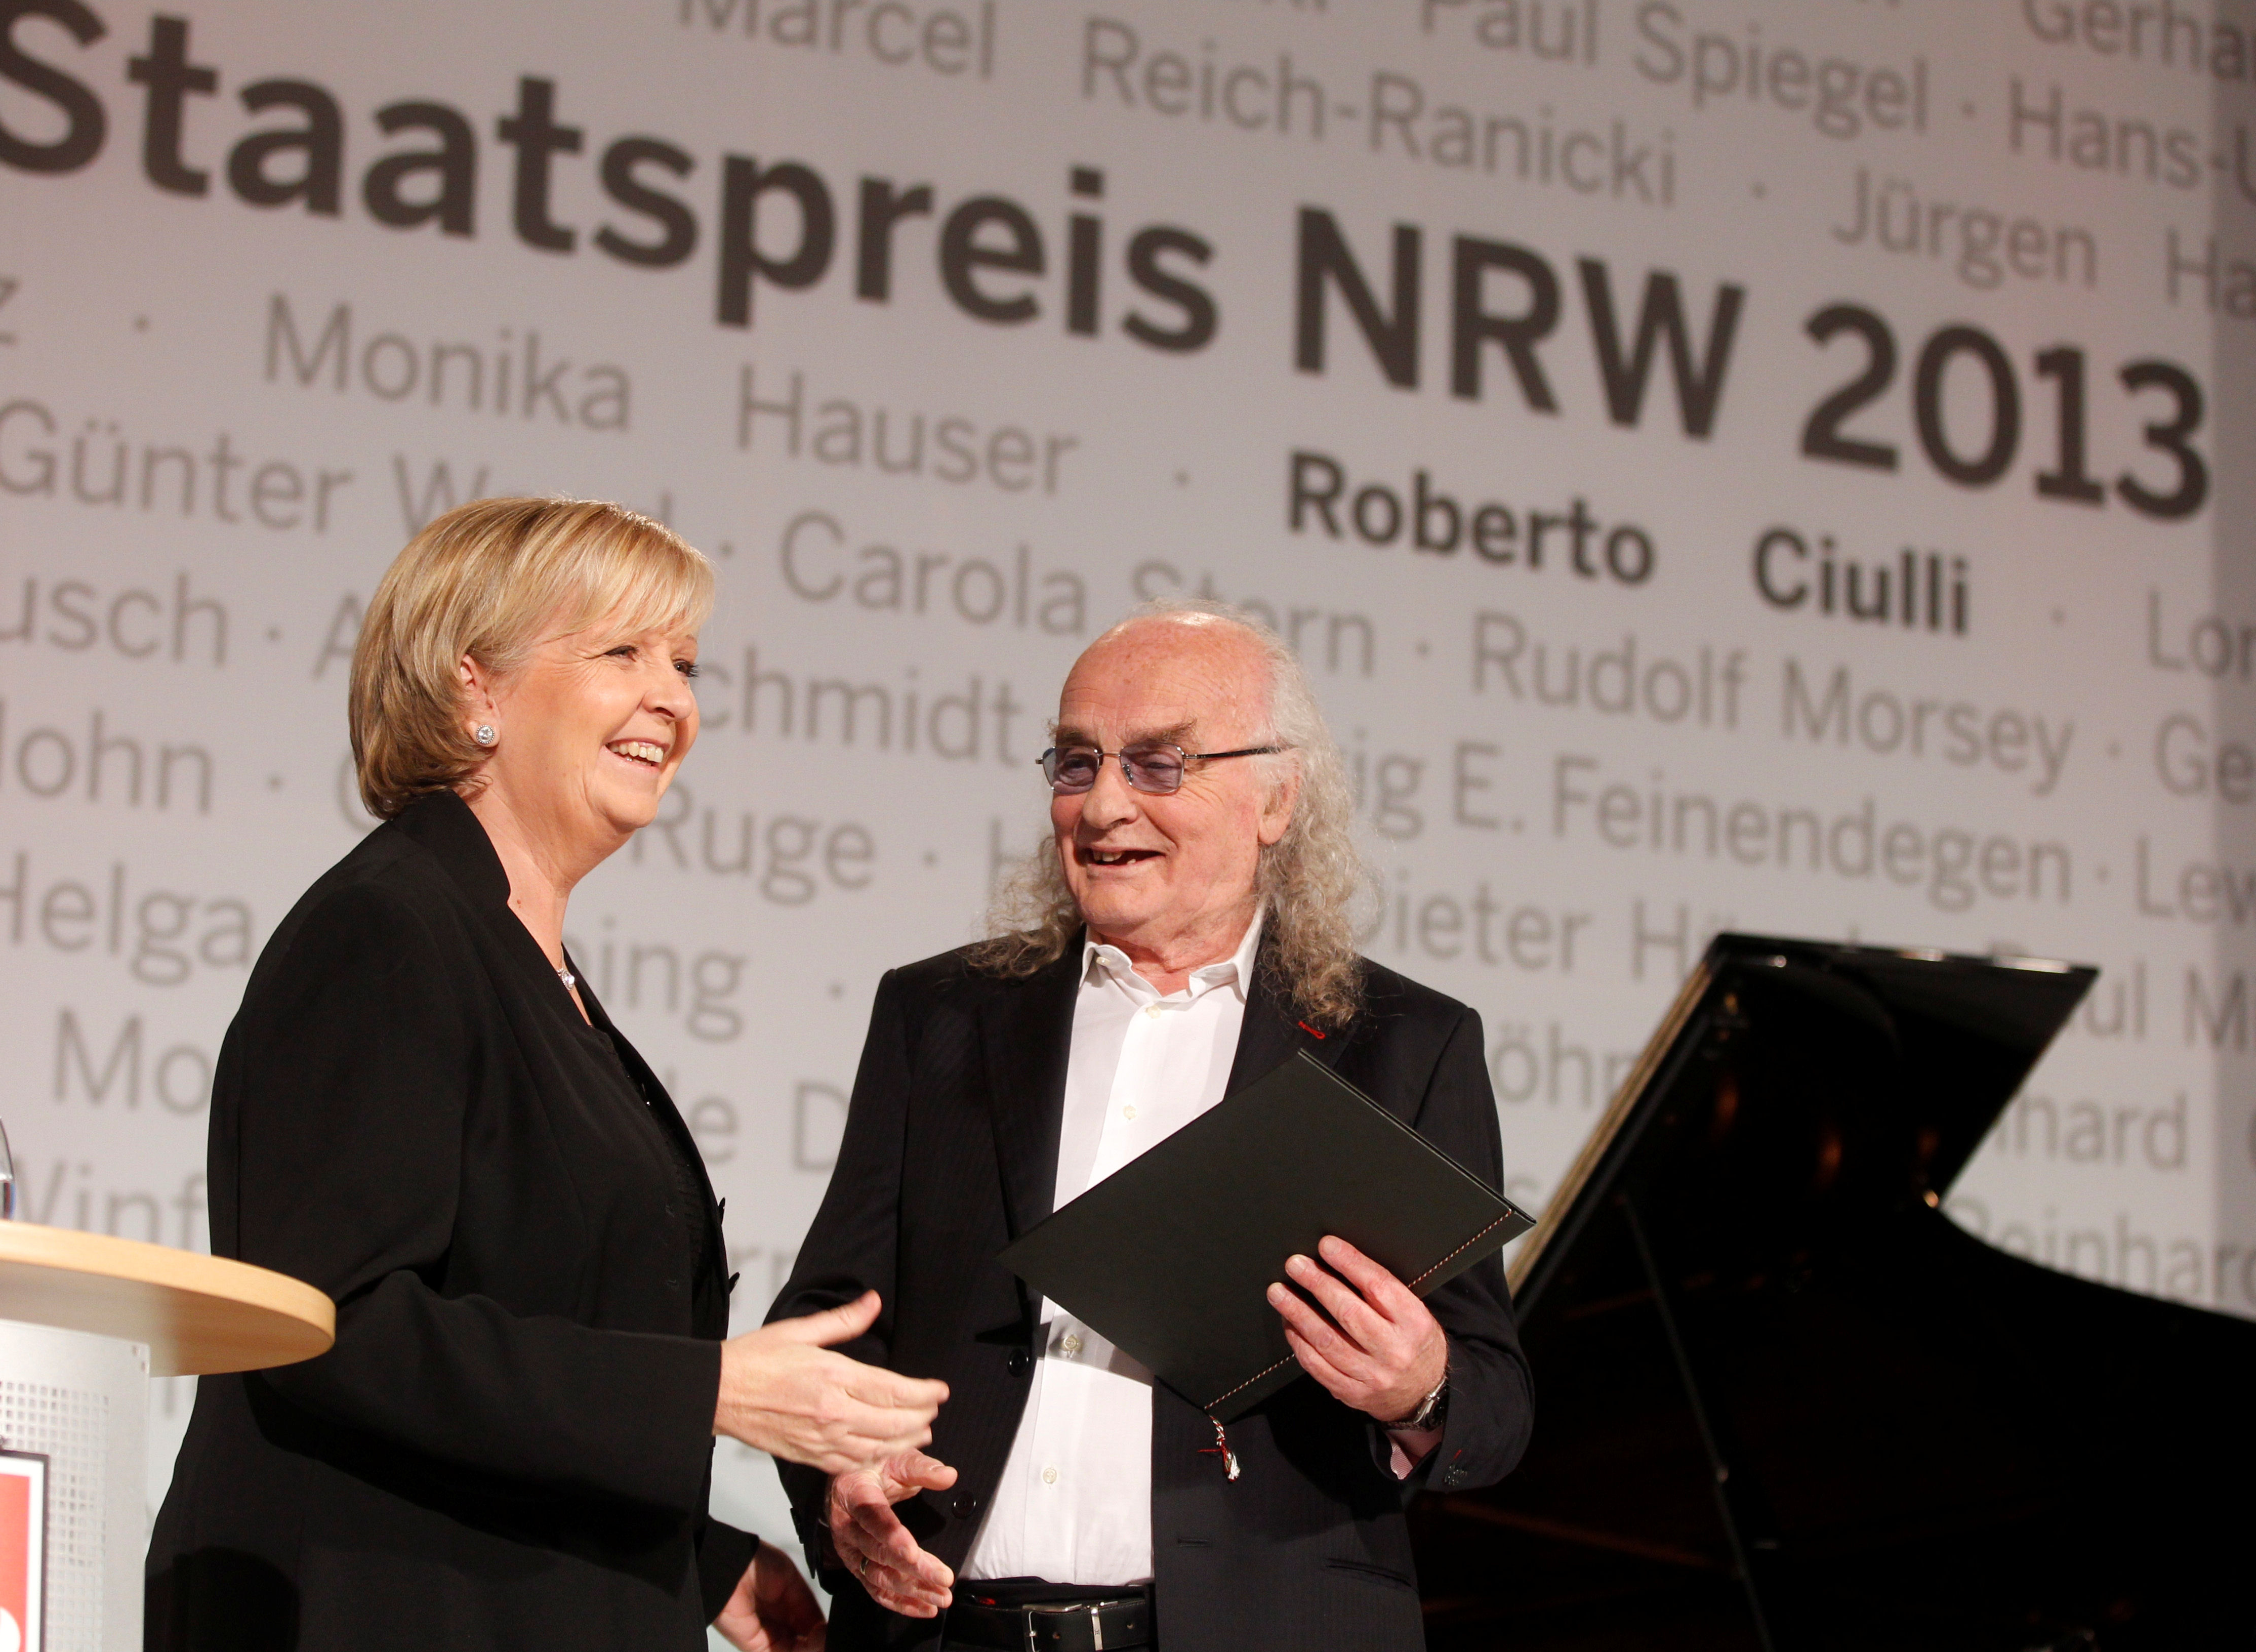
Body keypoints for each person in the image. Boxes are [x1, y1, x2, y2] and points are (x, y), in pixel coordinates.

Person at [146, 498, 947, 1652]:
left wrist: (698, 1561)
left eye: (683, 663)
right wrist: (711, 1392)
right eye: (621, 653)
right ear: (473, 685)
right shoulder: (386, 931)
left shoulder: (523, 962)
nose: (671, 699)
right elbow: (333, 1326)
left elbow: (528, 1326)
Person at [767, 601, 1533, 1652]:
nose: (1103, 806)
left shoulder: (1399, 1045)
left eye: (1158, 766)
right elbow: (831, 1319)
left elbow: (1496, 1399)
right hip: (940, 1630)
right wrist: (838, 1480)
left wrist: (1422, 1387)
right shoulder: (939, 1016)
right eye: (1077, 763)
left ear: (1276, 800)